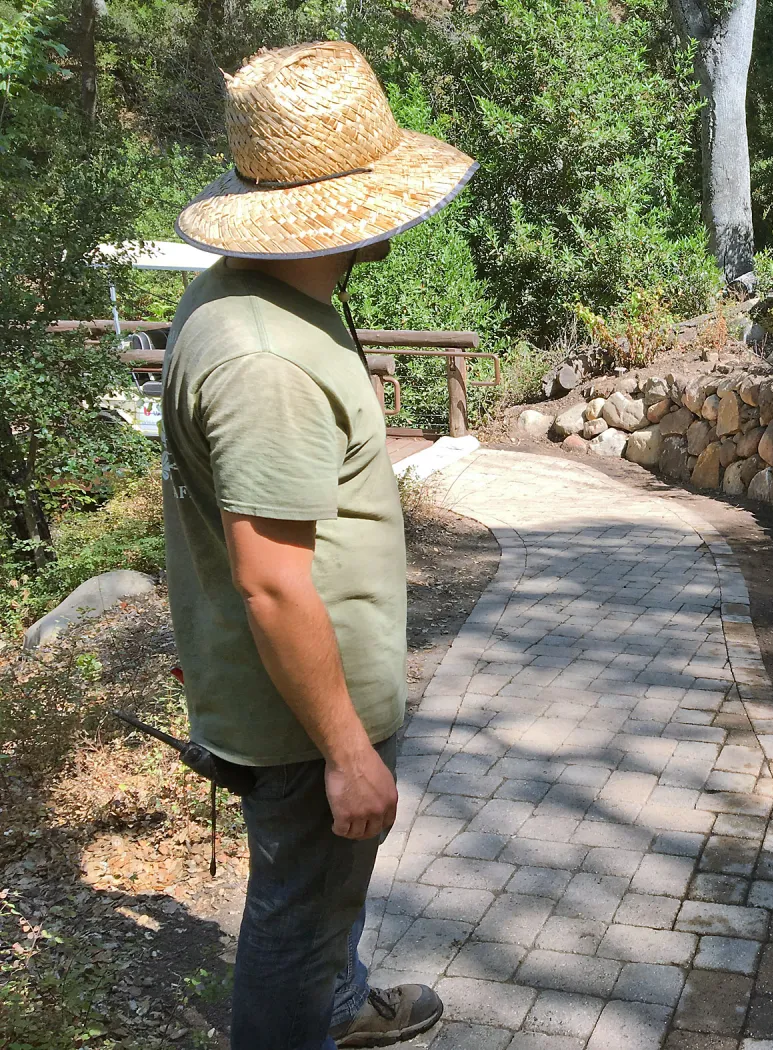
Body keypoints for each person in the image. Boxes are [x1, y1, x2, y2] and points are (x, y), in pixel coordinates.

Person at [161, 41, 477, 1050]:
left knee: (322, 906)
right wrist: (346, 752)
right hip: (304, 722)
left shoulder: (262, 298)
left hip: (300, 695)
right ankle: (316, 1009)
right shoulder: (268, 359)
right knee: (296, 926)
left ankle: (342, 1006)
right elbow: (269, 582)